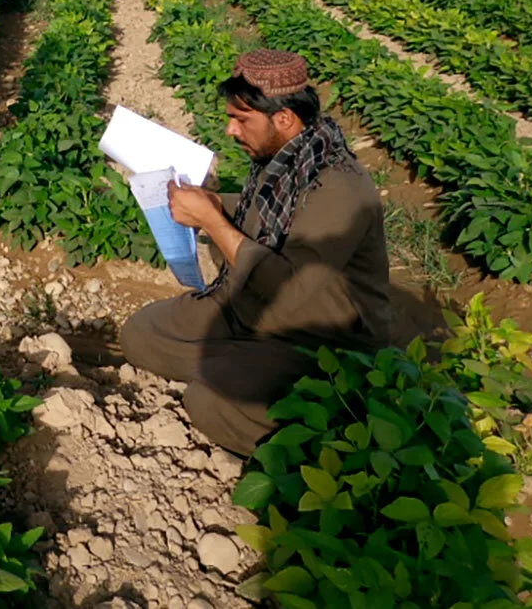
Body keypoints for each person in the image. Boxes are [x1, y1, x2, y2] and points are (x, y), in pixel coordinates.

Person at [119, 50, 389, 455]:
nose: (230, 130)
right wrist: (214, 203)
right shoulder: (286, 157)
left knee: (211, 402)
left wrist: (213, 222)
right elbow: (262, 211)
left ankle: (332, 422)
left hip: (314, 336)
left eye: (241, 119)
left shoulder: (340, 187)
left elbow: (290, 289)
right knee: (141, 334)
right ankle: (243, 368)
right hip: (250, 308)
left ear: (284, 119)